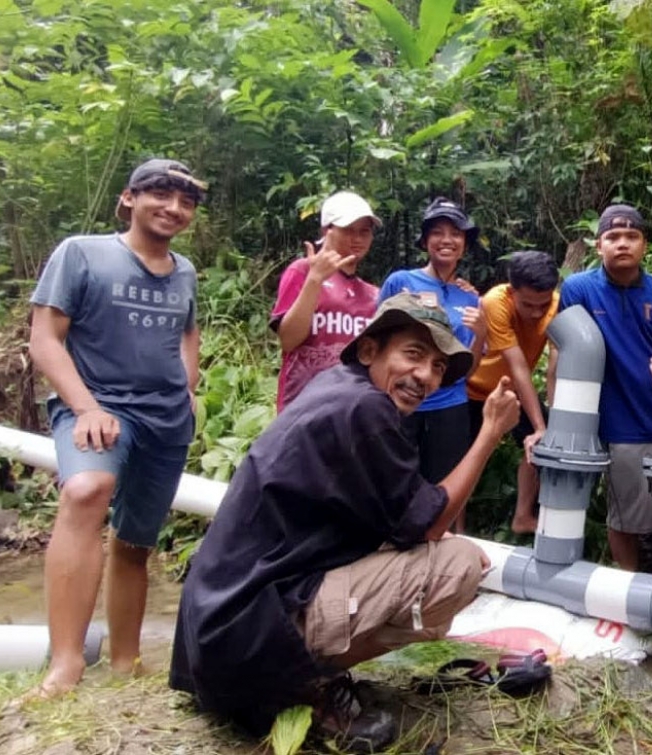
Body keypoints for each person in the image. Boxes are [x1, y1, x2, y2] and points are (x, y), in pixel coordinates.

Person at [170, 293, 520, 752]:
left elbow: (401, 518)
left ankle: (289, 673)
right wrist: (490, 433)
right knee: (457, 564)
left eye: (437, 367)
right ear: (370, 349)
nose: (425, 377)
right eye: (414, 354)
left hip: (217, 634)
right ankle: (301, 686)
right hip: (244, 634)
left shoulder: (337, 387)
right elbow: (431, 523)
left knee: (438, 548)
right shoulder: (367, 410)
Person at [26, 158, 206, 698]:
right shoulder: (82, 253)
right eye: (161, 195)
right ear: (129, 198)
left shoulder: (185, 271)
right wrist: (85, 408)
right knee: (87, 490)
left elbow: (187, 334)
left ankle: (126, 663)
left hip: (165, 419)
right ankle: (66, 665)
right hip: (98, 406)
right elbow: (45, 340)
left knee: (134, 542)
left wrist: (189, 390)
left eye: (186, 201)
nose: (174, 208)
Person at [558, 204, 652, 572]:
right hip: (622, 426)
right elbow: (564, 347)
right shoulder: (579, 289)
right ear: (598, 246)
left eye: (632, 236)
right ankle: (628, 595)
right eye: (613, 237)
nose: (623, 244)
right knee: (626, 519)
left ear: (644, 245)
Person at [379, 197, 487, 532]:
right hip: (401, 403)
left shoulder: (470, 298)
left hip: (449, 406)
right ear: (425, 241)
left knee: (450, 481)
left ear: (464, 244)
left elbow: (468, 369)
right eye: (437, 232)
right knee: (393, 479)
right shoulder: (401, 282)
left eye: (456, 234)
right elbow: (379, 343)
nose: (447, 240)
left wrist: (481, 334)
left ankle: (450, 548)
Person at [466, 251, 560, 534]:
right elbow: (518, 367)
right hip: (474, 391)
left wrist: (549, 424)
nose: (535, 313)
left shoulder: (558, 303)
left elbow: (555, 366)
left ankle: (523, 516)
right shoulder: (496, 301)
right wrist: (540, 425)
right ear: (512, 290)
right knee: (462, 457)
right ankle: (455, 527)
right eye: (527, 304)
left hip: (513, 391)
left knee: (543, 444)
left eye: (541, 306)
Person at [270, 190, 382, 411]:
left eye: (365, 231)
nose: (358, 238)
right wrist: (315, 279)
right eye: (349, 230)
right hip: (301, 407)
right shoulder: (302, 271)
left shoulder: (373, 294)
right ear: (326, 230)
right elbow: (289, 341)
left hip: (350, 410)